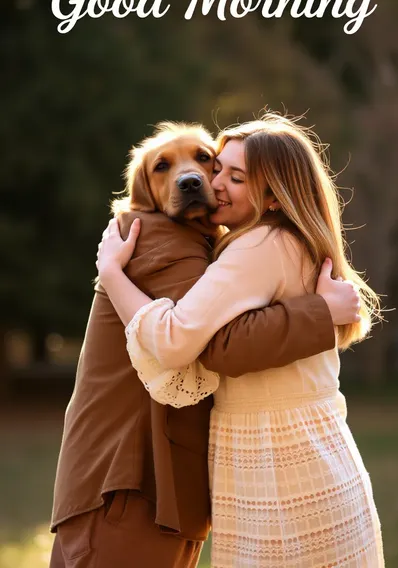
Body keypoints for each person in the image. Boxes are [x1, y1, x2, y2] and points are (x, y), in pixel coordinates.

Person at [49, 122, 359, 568]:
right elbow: (219, 345)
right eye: (164, 167)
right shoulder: (154, 236)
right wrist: (321, 313)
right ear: (146, 193)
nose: (190, 177)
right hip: (127, 485)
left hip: (148, 487)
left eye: (204, 160)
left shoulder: (213, 244)